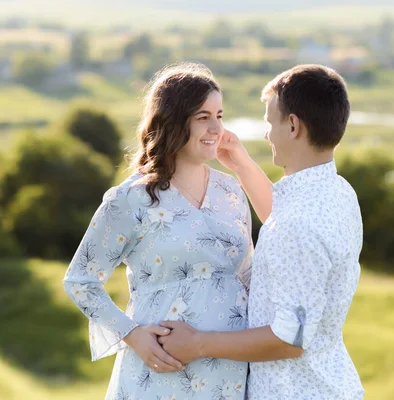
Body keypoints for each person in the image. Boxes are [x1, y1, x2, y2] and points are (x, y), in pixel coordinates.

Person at [158, 64, 365, 400]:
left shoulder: (297, 225)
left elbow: (289, 340)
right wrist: (240, 163)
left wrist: (196, 343)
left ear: (294, 125)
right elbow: (282, 223)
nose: (267, 134)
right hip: (330, 384)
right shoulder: (337, 193)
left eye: (271, 123)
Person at [62, 62, 254, 399]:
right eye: (203, 117)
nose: (216, 129)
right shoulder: (131, 198)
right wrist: (132, 334)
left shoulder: (231, 191)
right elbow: (80, 280)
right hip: (161, 375)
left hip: (230, 373)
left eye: (219, 116)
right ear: (174, 121)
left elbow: (248, 275)